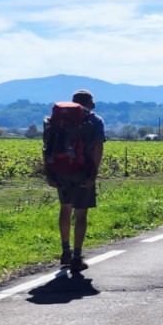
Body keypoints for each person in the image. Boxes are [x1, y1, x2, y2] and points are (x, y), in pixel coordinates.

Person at [55, 90, 106, 273]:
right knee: (81, 214)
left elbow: (48, 146)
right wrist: (94, 172)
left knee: (65, 209)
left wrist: (50, 172)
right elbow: (98, 146)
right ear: (90, 103)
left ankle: (64, 251)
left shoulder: (59, 120)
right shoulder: (95, 120)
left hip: (61, 171)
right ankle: (77, 257)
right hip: (83, 171)